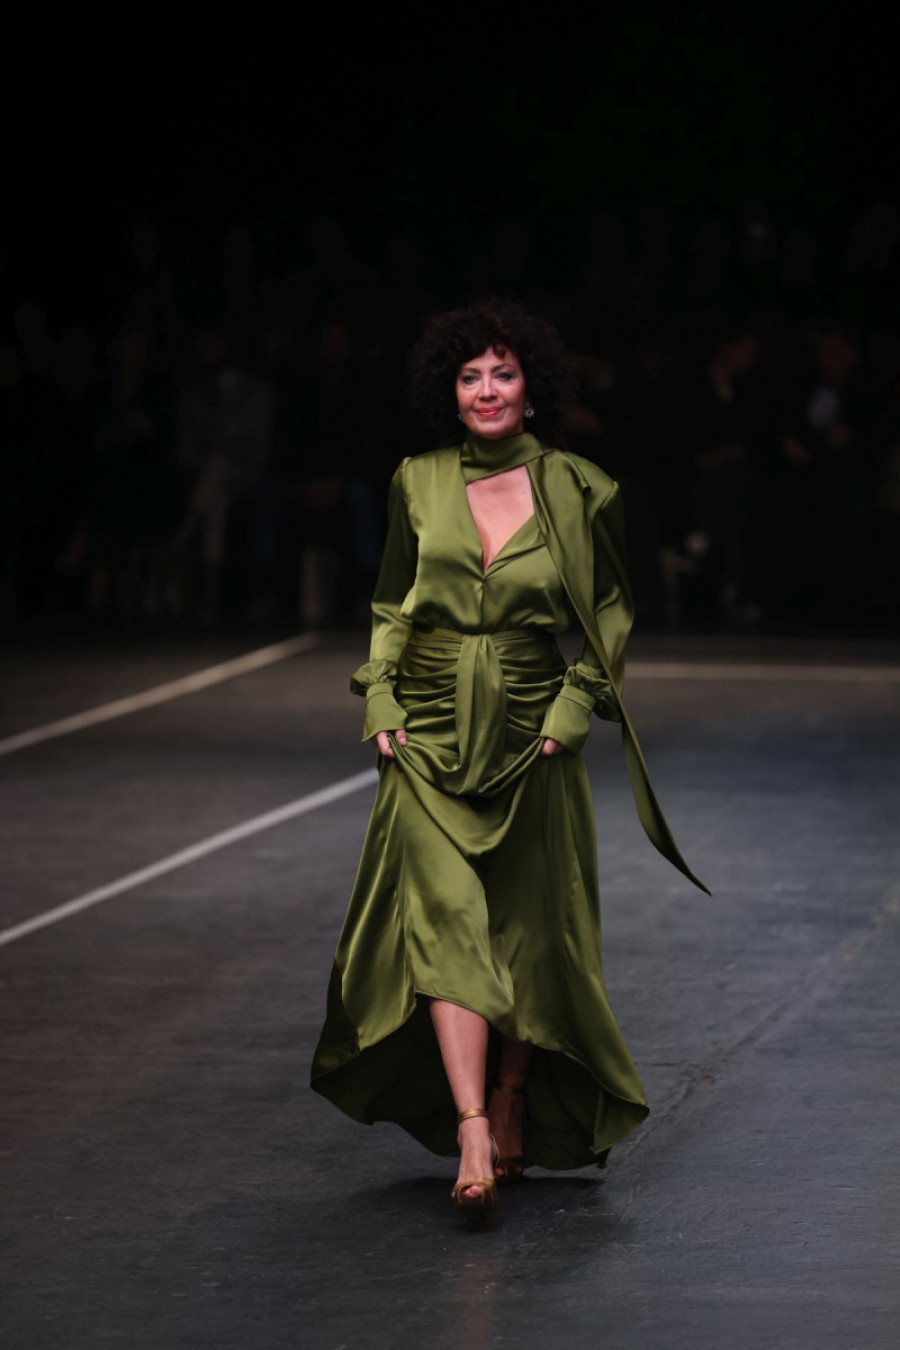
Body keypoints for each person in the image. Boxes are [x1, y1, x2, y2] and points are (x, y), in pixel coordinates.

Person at [310, 298, 707, 1219]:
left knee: (529, 931)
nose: (486, 390)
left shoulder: (581, 488)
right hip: (429, 725)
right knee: (445, 921)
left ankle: (512, 1094)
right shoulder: (416, 482)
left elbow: (609, 612)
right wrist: (379, 692)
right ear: (448, 391)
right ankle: (472, 1128)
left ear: (533, 388)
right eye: (469, 376)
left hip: (534, 723)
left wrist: (577, 703)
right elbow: (391, 603)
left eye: (503, 373)